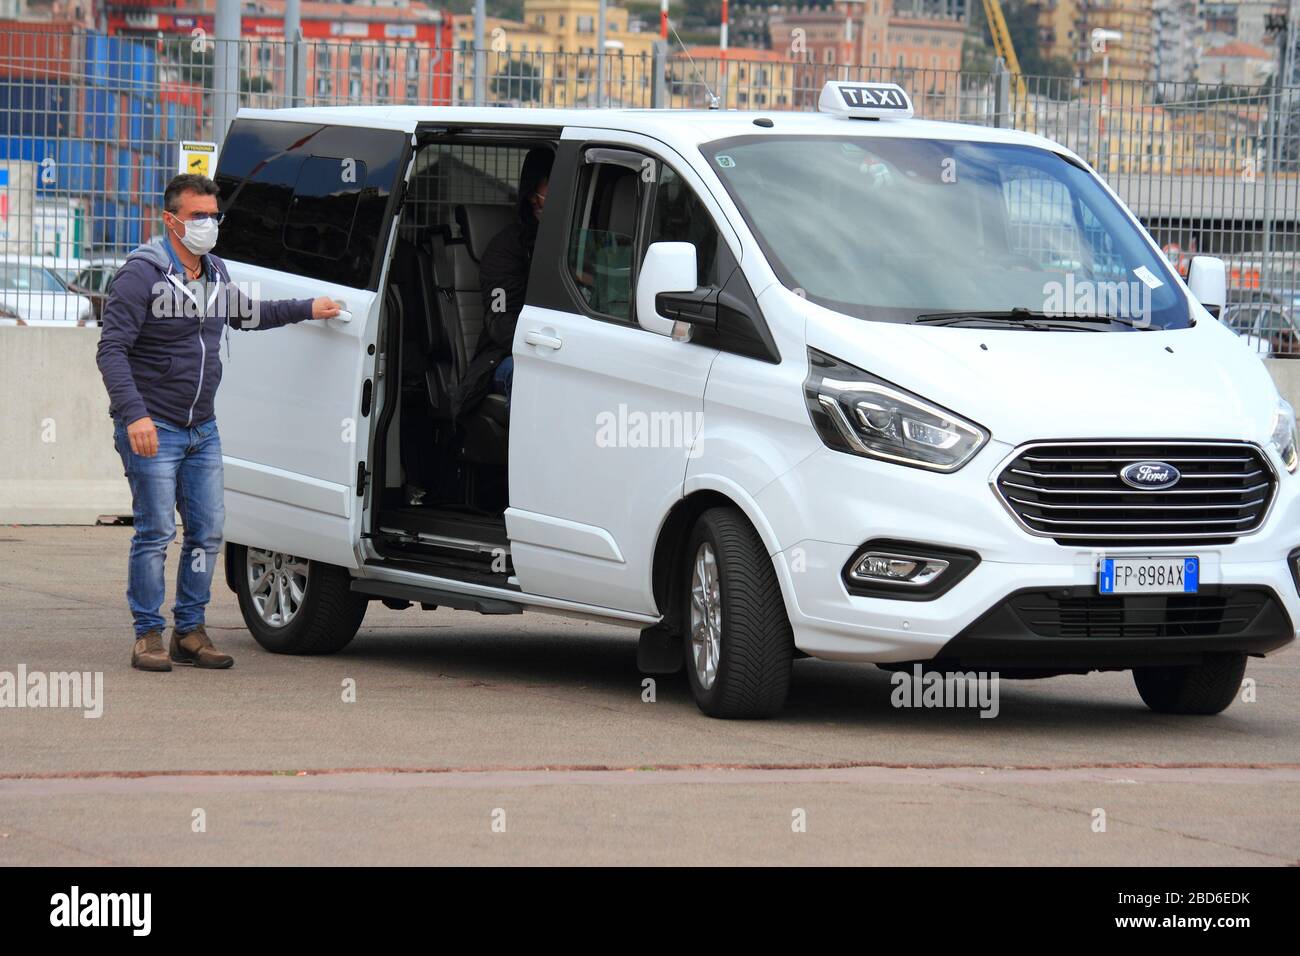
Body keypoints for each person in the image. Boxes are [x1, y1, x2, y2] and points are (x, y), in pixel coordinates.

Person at [96, 173, 343, 672]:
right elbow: (112, 350)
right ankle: (148, 635)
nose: (209, 224)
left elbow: (248, 314)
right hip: (154, 426)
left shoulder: (214, 273)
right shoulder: (142, 274)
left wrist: (308, 309)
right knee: (155, 531)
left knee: (207, 532)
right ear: (171, 220)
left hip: (201, 429)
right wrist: (135, 415)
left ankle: (189, 630)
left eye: (214, 216)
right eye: (198, 217)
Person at [455, 147, 553, 419]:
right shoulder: (505, 250)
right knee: (529, 376)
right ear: (534, 194)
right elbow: (500, 323)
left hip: (559, 351)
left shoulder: (573, 243)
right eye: (551, 185)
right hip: (503, 357)